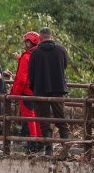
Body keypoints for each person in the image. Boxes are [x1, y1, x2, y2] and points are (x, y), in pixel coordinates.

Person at [28, 27, 69, 157]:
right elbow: (65, 65)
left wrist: (34, 86)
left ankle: (48, 149)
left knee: (44, 119)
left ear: (40, 37)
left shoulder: (35, 52)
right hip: (58, 89)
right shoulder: (61, 49)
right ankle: (65, 146)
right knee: (60, 117)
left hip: (40, 89)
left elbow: (31, 73)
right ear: (51, 36)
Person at [10, 31, 41, 152]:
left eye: (26, 42)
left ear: (30, 42)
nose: (25, 44)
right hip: (37, 91)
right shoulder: (38, 55)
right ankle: (39, 143)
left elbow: (21, 78)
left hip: (26, 92)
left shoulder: (26, 57)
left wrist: (14, 94)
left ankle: (32, 145)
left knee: (30, 118)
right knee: (37, 118)